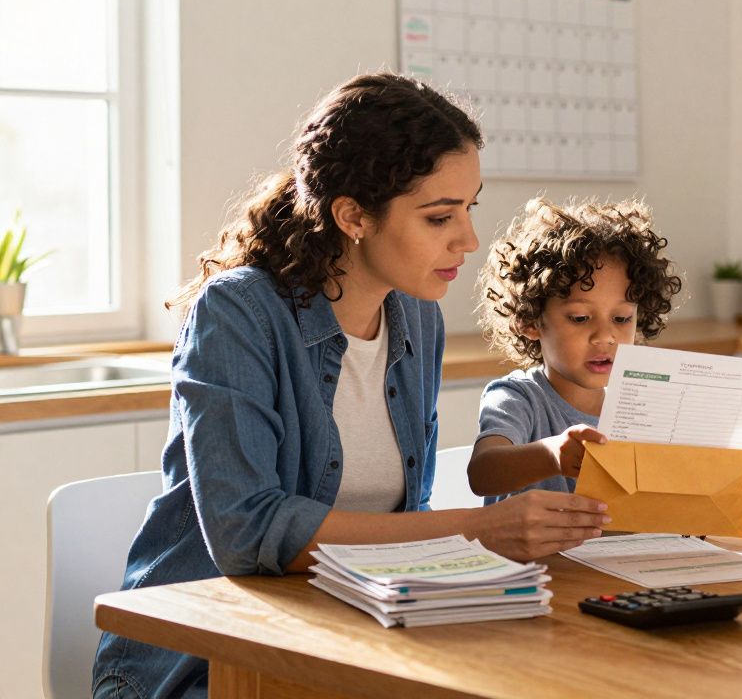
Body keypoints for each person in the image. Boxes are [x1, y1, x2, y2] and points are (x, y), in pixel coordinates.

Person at [92, 74, 610, 699]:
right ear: (352, 215)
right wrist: (475, 532)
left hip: (352, 634)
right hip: (206, 662)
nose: (469, 240)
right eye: (439, 216)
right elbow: (247, 533)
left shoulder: (416, 313)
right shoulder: (238, 314)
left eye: (468, 209)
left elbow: (400, 517)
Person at [468, 197, 682, 502]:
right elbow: (482, 473)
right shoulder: (518, 398)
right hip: (533, 550)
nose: (605, 336)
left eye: (621, 319)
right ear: (530, 321)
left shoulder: (638, 407)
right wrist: (552, 455)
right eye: (580, 318)